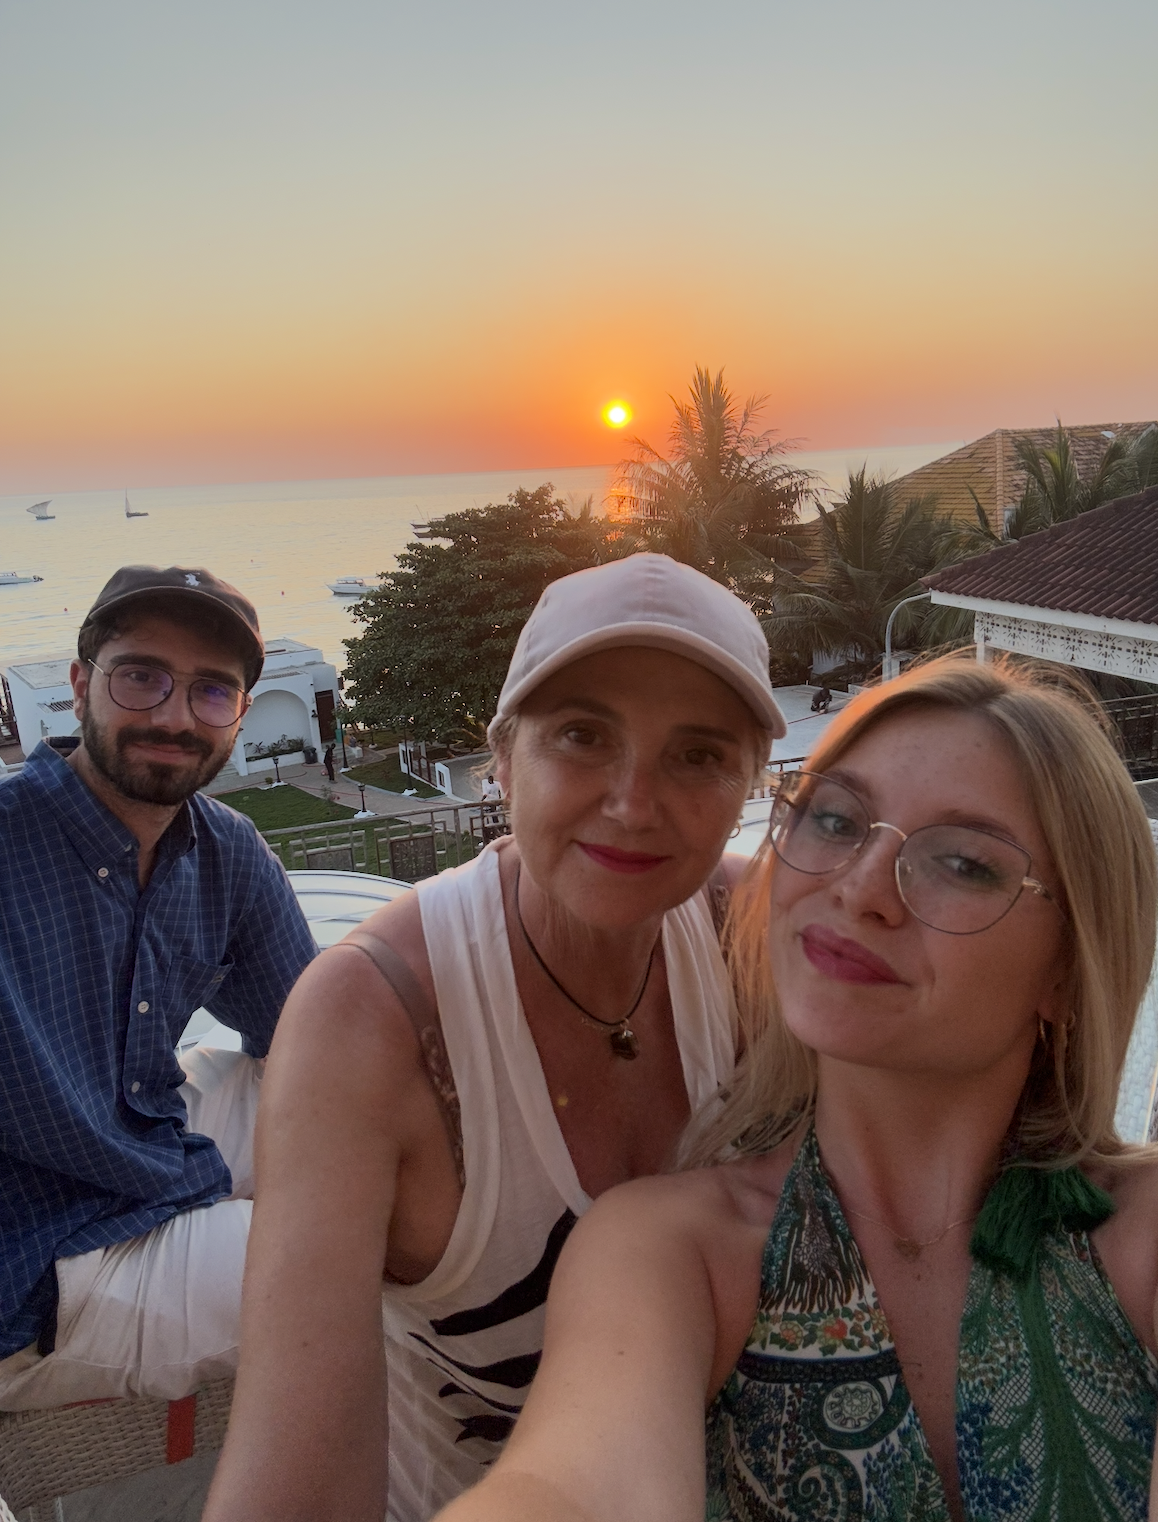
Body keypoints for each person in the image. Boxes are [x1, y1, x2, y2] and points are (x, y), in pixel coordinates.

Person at [432, 651, 1158, 1522]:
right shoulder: (675, 1254)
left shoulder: (1138, 1239)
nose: (859, 891)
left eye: (964, 864)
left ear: (1068, 975)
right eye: (837, 820)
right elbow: (572, 1484)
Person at [204, 553, 786, 1522]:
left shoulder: (753, 939)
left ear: (747, 785)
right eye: (582, 736)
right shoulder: (374, 1021)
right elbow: (293, 1480)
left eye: (697, 754)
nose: (634, 801)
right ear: (503, 759)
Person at [0, 565, 316, 1411]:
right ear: (79, 687)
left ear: (241, 715)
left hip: (139, 1138)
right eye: (141, 676)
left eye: (212, 690)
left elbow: (317, 1032)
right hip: (41, 1257)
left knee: (343, 1091)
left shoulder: (224, 850)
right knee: (364, 1256)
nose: (175, 716)